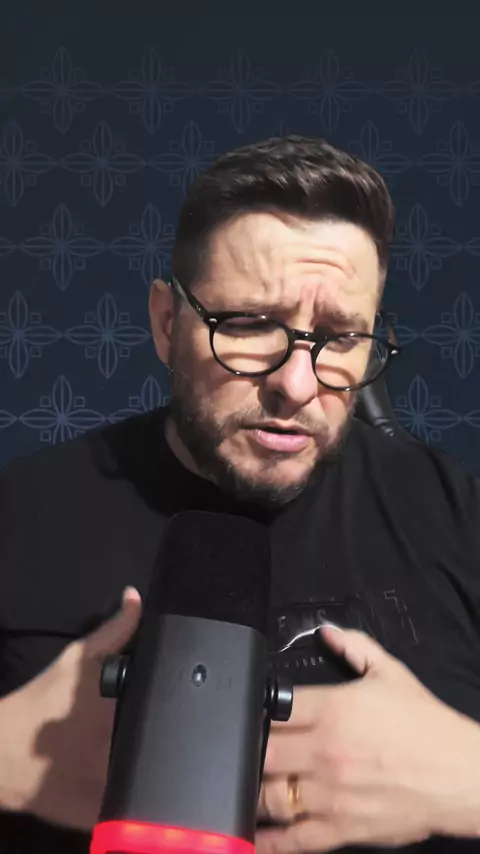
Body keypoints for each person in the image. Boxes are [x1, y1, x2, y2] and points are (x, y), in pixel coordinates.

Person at [1, 135, 480, 854]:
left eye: (340, 337)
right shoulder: (21, 515)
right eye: (250, 324)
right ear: (167, 323)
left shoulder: (456, 514)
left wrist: (466, 781)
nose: (297, 385)